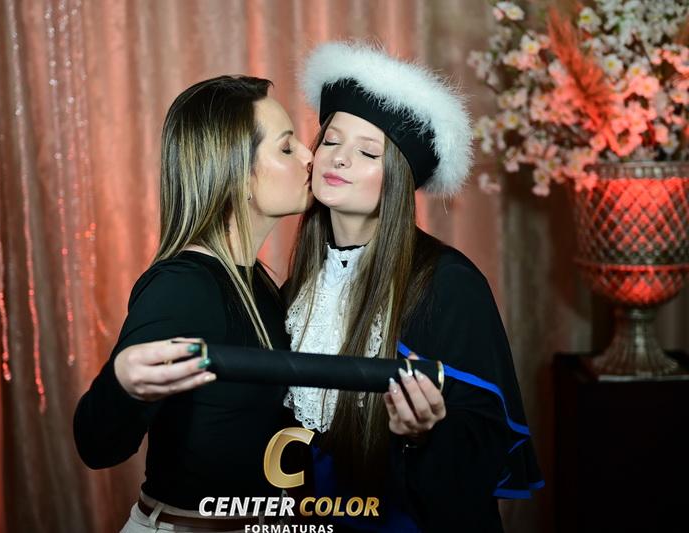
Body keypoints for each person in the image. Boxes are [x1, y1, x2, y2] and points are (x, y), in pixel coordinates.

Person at [283, 42, 543, 532]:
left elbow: (481, 446)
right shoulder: (302, 283)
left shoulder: (450, 284)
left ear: (398, 179)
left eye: (367, 152)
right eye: (331, 141)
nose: (339, 159)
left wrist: (423, 435)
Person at [73, 75, 313, 532]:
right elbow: (97, 445)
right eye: (287, 148)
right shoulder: (183, 287)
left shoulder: (258, 281)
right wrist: (121, 383)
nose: (309, 156)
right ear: (236, 174)